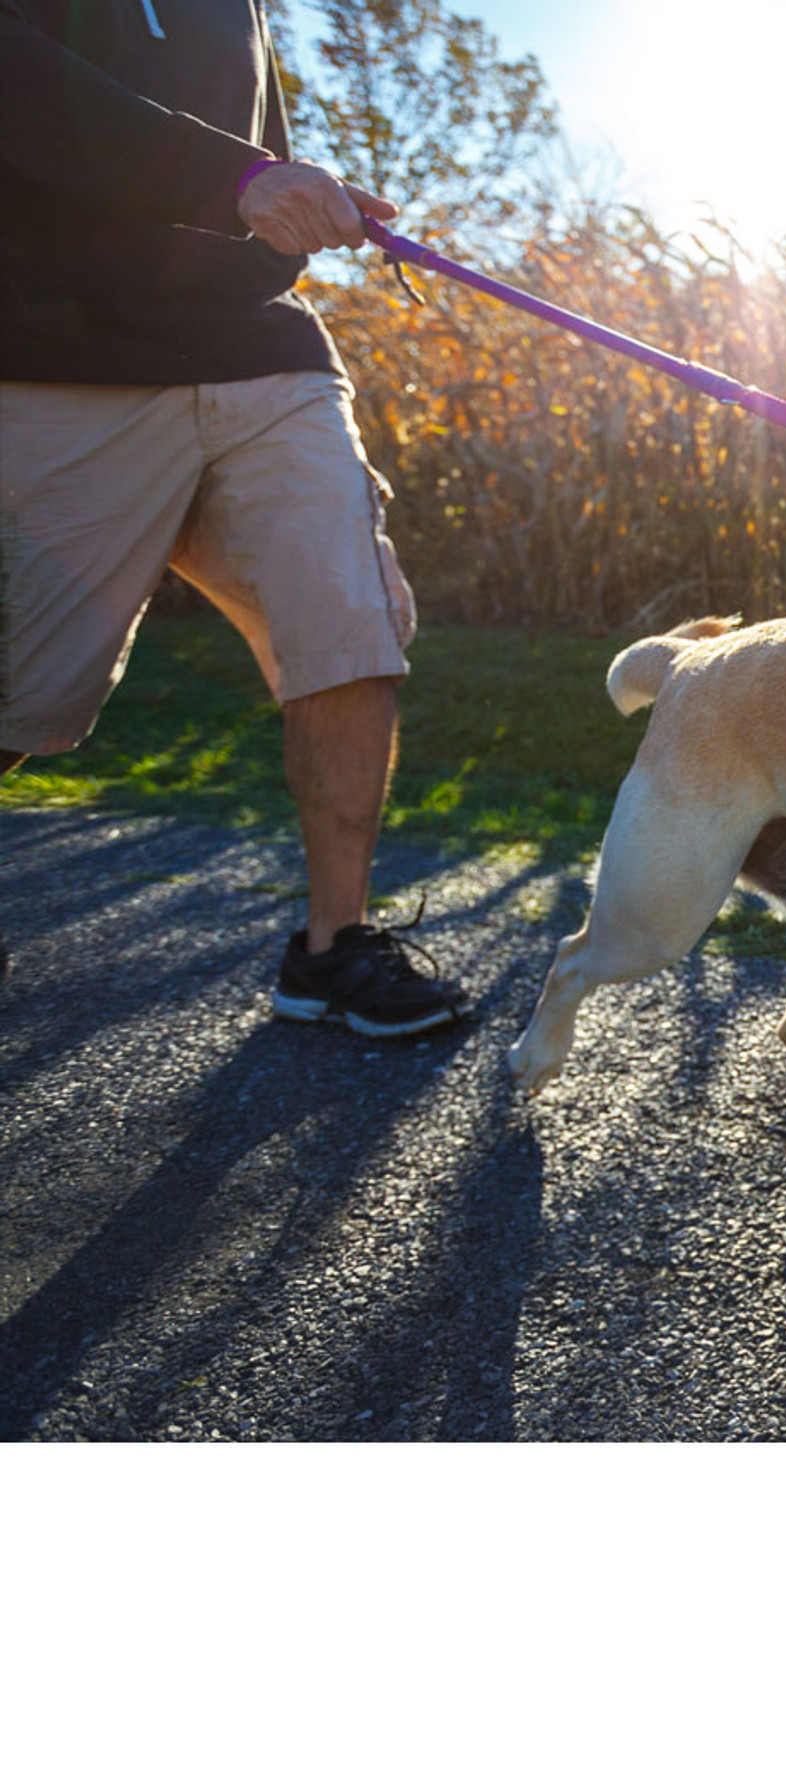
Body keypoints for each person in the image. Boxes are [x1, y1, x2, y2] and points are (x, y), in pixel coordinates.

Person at [0, 0, 461, 1035]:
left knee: (350, 622)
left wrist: (292, 204)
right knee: (22, 684)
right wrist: (236, 181)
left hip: (259, 344)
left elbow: (248, 137)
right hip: (59, 348)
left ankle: (332, 945)